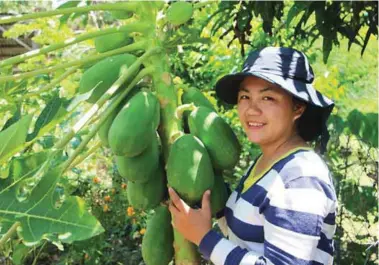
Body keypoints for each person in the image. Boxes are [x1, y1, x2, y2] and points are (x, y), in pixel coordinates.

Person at [168, 47, 337, 265]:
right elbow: (247, 235)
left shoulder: (300, 178)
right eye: (245, 96)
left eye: (267, 98)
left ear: (298, 108)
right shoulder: (267, 162)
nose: (251, 110)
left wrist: (204, 238)